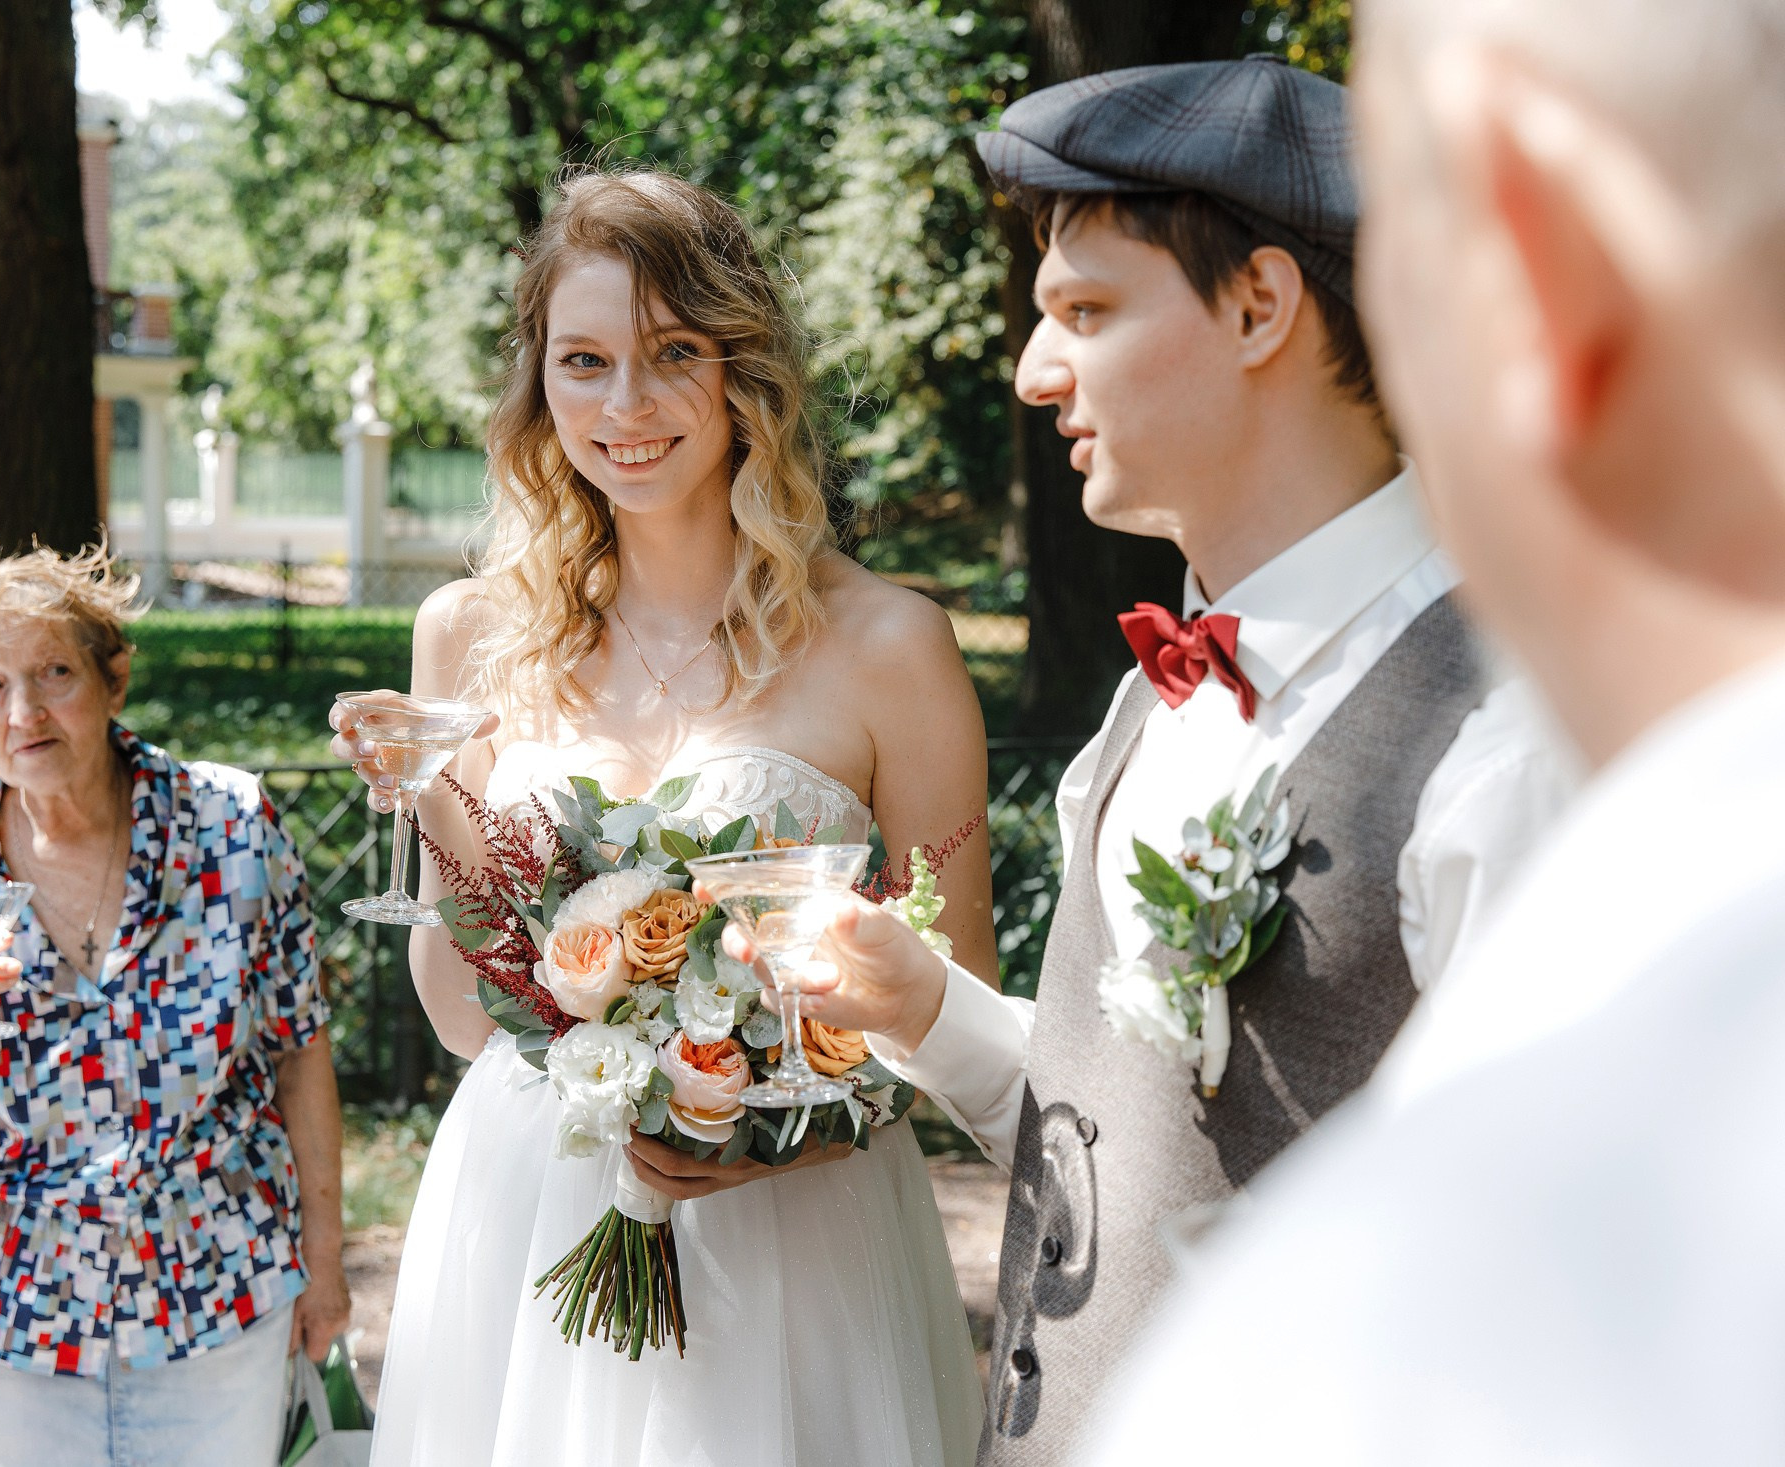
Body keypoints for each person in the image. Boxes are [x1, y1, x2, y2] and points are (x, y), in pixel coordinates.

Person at [749, 59, 1578, 1464]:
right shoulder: (1155, 702)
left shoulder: (1508, 746)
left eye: (1084, 312)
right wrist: (921, 1000)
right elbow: (1117, 1117)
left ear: (1260, 305)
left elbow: (1562, 1294)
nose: (1031, 367)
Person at [1074, 3, 1785, 1461]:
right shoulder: (1152, 694)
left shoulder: (1439, 1308)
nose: (1037, 374)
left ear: (1538, 254)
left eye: (1407, 258)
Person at [331, 167, 991, 1467]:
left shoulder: (890, 644)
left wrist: (773, 1118)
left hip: (798, 1223)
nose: (624, 406)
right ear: (540, 388)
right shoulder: (466, 634)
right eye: (583, 361)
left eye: (671, 353)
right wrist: (433, 807)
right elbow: (467, 1013)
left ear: (743, 371)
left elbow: (953, 997)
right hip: (531, 1200)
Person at [0, 545, 352, 1466]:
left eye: (54, 674)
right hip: (2, 1308)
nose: (23, 712)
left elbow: (299, 1048)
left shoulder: (231, 826)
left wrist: (325, 1259)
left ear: (112, 677)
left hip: (216, 1282)